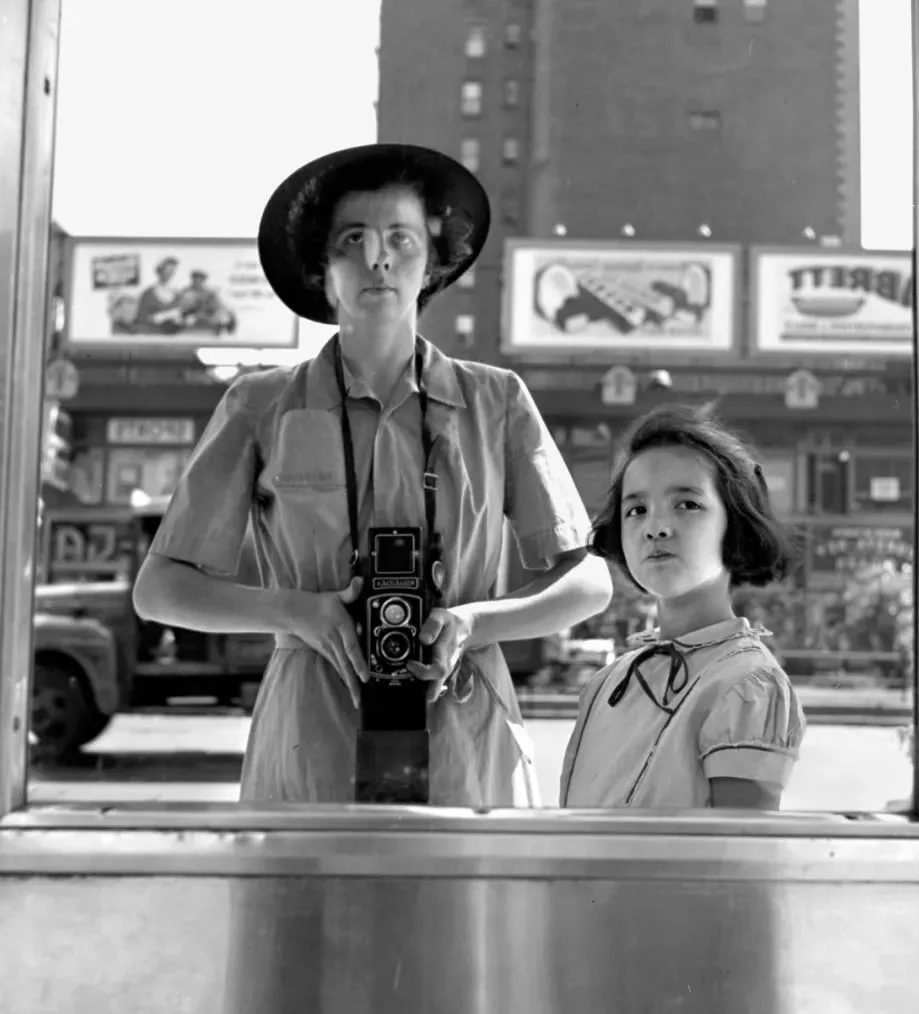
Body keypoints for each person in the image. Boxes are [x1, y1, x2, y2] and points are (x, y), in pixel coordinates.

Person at [133, 142, 612, 805]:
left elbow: (589, 581)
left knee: (468, 878)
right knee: (309, 878)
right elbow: (159, 589)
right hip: (311, 736)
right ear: (322, 269)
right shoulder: (260, 404)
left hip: (465, 733)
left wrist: (473, 624)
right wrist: (294, 611)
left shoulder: (495, 401)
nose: (377, 258)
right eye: (352, 239)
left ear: (432, 263)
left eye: (400, 238)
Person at [560, 405, 806, 810]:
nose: (655, 527)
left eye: (687, 504)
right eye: (636, 510)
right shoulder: (607, 682)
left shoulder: (748, 685)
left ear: (735, 525)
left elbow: (738, 846)